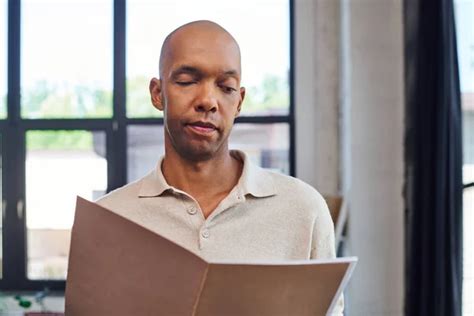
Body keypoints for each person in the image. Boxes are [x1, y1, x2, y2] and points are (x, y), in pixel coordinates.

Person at [97, 20, 343, 314]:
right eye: (187, 81)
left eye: (225, 87)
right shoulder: (108, 220)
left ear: (239, 102)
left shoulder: (304, 209)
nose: (208, 101)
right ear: (157, 93)